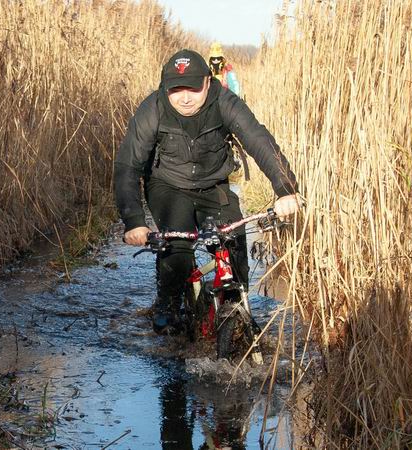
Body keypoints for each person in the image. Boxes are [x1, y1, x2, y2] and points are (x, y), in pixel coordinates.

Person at [114, 49, 299, 334]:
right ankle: (168, 303)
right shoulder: (152, 108)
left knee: (232, 242)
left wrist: (285, 188)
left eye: (192, 88)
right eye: (176, 90)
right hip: (167, 185)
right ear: (165, 87)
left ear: (207, 83)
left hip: (213, 185)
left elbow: (258, 140)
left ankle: (236, 308)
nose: (185, 97)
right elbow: (128, 165)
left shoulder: (224, 101)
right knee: (176, 246)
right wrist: (134, 221)